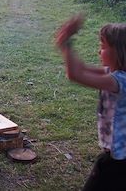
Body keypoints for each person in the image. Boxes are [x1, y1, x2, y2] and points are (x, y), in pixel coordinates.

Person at [55, 15, 126, 191]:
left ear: (118, 51)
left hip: (119, 162)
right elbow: (81, 69)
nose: (98, 51)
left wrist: (66, 42)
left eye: (102, 47)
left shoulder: (119, 81)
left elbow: (76, 75)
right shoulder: (112, 73)